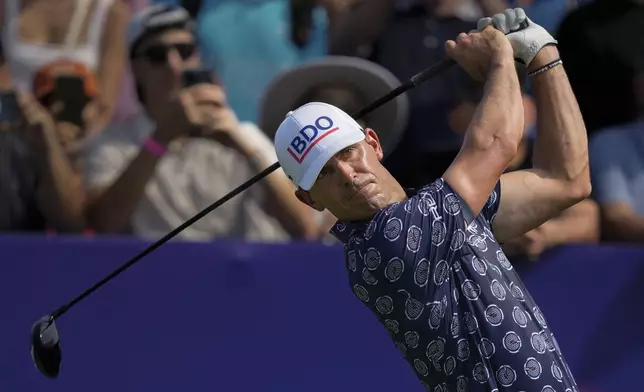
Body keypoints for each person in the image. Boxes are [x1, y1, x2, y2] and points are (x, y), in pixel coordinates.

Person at [273, 8, 589, 390]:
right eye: (323, 173)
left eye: (346, 152)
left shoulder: (438, 213)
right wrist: (501, 58)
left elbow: (566, 180)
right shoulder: (383, 243)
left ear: (373, 142)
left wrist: (542, 54)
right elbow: (496, 143)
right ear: (309, 200)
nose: (346, 175)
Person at [83, 4, 317, 242]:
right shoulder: (111, 143)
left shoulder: (243, 135)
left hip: (231, 275)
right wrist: (160, 139)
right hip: (152, 275)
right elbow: (104, 225)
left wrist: (243, 148)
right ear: (136, 68)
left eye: (185, 51)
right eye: (157, 55)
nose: (174, 65)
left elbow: (304, 229)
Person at [1, 0, 130, 144]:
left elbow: (105, 105)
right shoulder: (4, 7)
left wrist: (72, 128)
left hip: (77, 142)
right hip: (15, 133)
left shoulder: (111, 11)